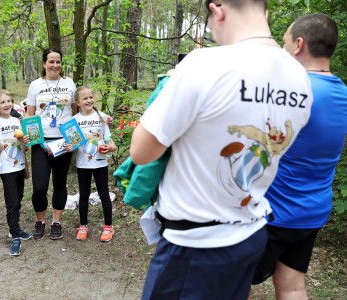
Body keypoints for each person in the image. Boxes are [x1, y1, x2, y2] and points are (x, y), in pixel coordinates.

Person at [129, 0, 313, 299]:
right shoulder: (300, 78)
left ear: (218, 10)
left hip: (194, 245)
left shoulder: (204, 64)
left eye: (210, 24)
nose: (213, 33)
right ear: (264, 11)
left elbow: (141, 152)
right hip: (250, 234)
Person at [251, 13, 347, 299]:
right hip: (312, 211)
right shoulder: (342, 93)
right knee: (292, 286)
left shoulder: (292, 91)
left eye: (284, 42)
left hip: (273, 213)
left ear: (299, 45)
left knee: (233, 284)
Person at [25, 48, 77, 240]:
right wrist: (30, 137)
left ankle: (56, 222)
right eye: (51, 61)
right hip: (41, 141)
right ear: (44, 64)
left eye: (58, 61)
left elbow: (75, 112)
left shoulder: (69, 83)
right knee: (39, 186)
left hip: (63, 141)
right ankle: (40, 221)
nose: (55, 65)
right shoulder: (35, 85)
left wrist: (75, 139)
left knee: (60, 183)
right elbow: (30, 114)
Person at [65, 86, 117, 242]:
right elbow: (72, 145)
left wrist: (112, 147)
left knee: (104, 194)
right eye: (84, 98)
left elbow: (109, 140)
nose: (88, 100)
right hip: (83, 164)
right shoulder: (73, 121)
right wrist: (69, 147)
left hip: (100, 163)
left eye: (90, 97)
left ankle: (108, 227)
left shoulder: (102, 116)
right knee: (84, 195)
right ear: (78, 103)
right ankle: (83, 226)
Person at [0, 90, 32, 256]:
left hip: (19, 165)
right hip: (6, 167)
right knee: (12, 201)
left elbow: (23, 146)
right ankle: (15, 236)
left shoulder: (17, 120)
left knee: (20, 198)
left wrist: (26, 166)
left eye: (9, 101)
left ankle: (14, 228)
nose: (7, 104)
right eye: (2, 102)